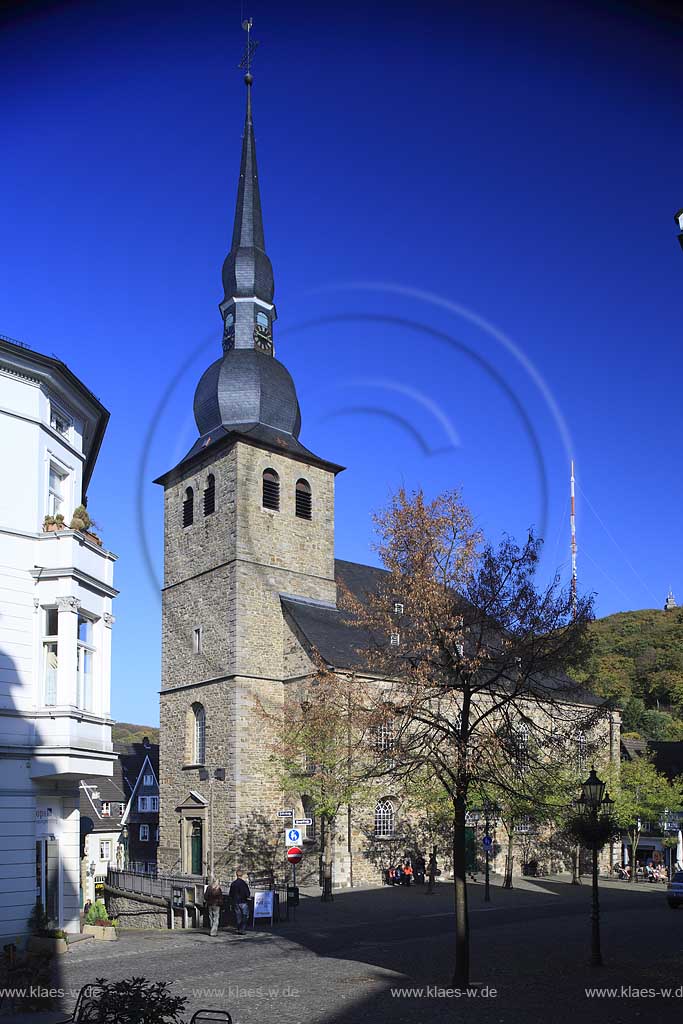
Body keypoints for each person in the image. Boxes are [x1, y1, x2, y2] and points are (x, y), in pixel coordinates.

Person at [228, 868, 251, 935]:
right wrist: (247, 897)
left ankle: (238, 928)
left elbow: (230, 894)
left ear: (236, 875)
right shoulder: (243, 883)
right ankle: (242, 929)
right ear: (242, 875)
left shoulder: (233, 883)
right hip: (243, 901)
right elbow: (247, 893)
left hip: (235, 901)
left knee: (238, 916)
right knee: (245, 915)